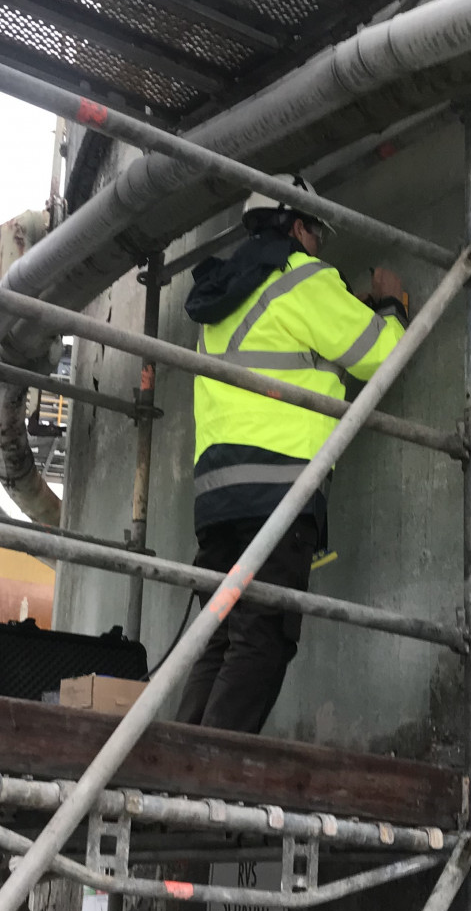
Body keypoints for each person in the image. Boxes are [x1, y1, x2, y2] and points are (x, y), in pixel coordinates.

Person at [175, 192, 409, 734]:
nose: (318, 244)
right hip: (278, 490)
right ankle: (210, 772)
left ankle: (176, 768)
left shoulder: (226, 295)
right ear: (297, 227)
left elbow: (289, 355)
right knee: (263, 637)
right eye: (316, 232)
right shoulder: (302, 277)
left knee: (220, 636)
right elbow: (381, 353)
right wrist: (392, 306)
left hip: (218, 498)